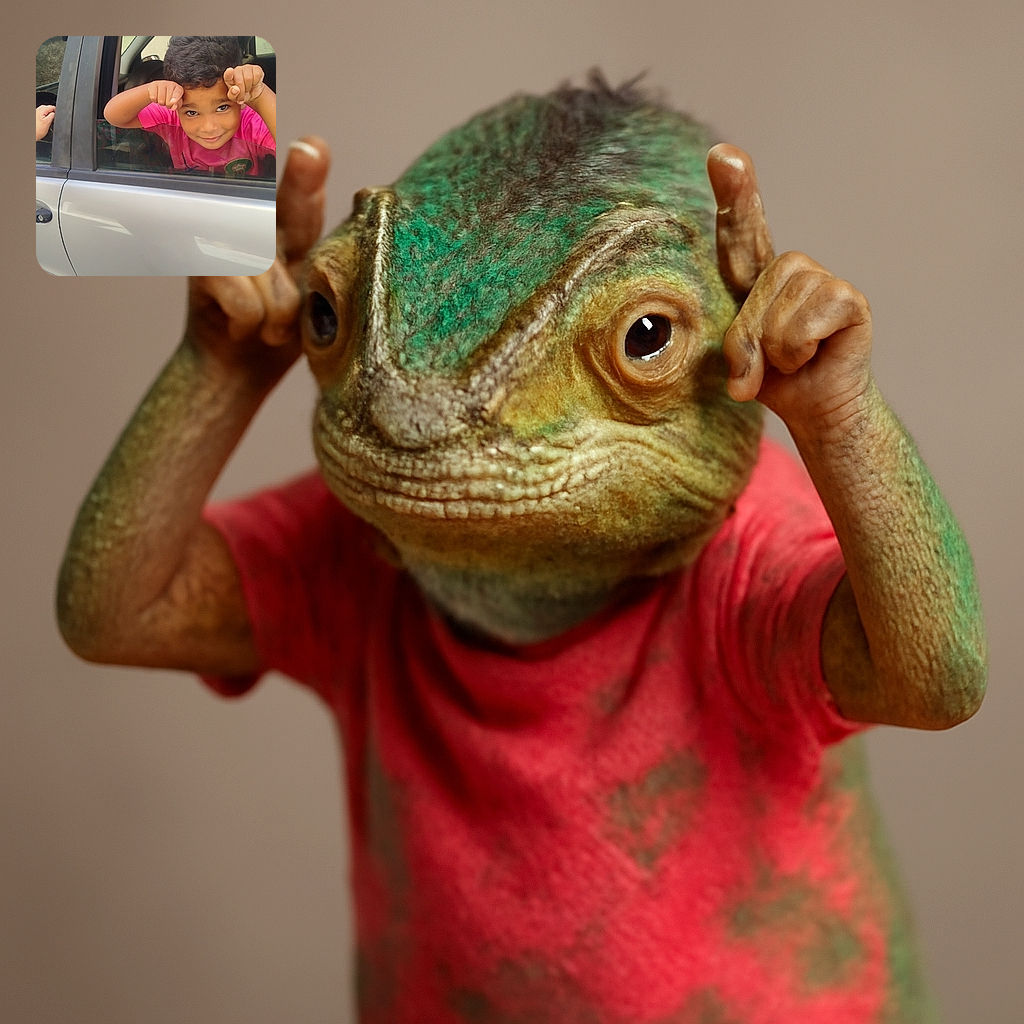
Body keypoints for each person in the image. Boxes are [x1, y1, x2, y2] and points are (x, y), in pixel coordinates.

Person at [103, 36, 275, 177]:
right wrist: (150, 90)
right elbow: (114, 116)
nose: (209, 127)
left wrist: (259, 96)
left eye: (222, 108)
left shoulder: (251, 124)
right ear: (178, 104)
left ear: (240, 100)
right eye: (192, 112)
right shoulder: (172, 114)